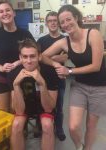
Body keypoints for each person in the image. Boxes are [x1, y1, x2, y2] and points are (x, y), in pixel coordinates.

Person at [42, 5, 106, 150]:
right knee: (73, 127)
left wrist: (69, 71)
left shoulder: (93, 34)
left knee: (90, 126)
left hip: (100, 88)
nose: (66, 24)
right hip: (80, 87)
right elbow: (42, 56)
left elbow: (95, 66)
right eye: (63, 22)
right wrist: (56, 64)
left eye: (69, 19)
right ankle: (79, 147)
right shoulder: (64, 42)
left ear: (76, 18)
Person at [0, 0, 34, 112]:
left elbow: (35, 55)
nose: (5, 13)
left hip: (19, 76)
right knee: (4, 111)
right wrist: (1, 68)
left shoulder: (25, 34)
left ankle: (18, 129)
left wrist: (18, 62)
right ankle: (9, 130)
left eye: (7, 10)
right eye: (1, 12)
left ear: (14, 13)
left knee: (16, 109)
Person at [8, 39, 58, 150]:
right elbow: (19, 110)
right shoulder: (13, 74)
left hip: (43, 107)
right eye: (25, 57)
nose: (29, 61)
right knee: (16, 124)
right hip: (25, 107)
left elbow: (49, 108)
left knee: (47, 125)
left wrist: (42, 84)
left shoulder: (50, 73)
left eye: (32, 56)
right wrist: (16, 85)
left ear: (39, 56)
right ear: (20, 58)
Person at [37, 11, 68, 141]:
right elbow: (38, 58)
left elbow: (68, 56)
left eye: (55, 20)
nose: (53, 23)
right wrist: (55, 58)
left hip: (59, 79)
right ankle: (40, 127)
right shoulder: (41, 40)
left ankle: (59, 129)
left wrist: (60, 57)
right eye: (50, 21)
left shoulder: (65, 40)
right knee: (42, 104)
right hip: (44, 79)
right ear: (46, 23)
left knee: (59, 106)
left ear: (59, 23)